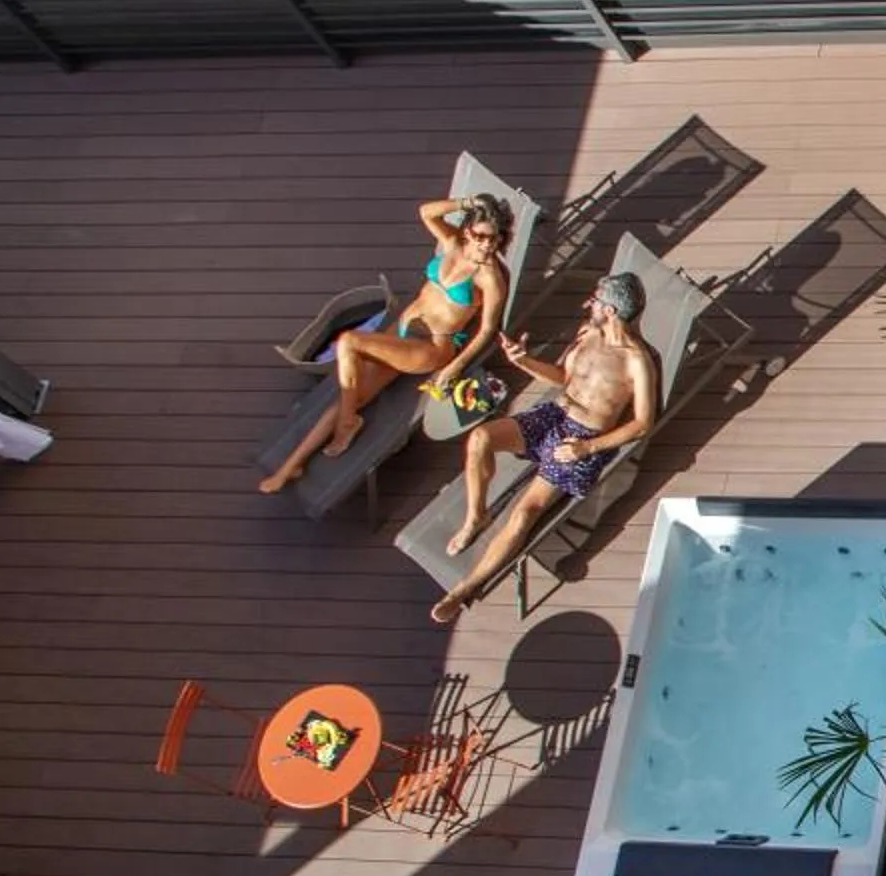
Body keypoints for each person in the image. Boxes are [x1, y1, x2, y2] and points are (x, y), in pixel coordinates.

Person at [429, 272, 661, 624]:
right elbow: (564, 378)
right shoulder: (587, 334)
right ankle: (477, 515)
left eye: (596, 301)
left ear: (611, 310)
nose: (590, 304)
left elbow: (643, 423)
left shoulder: (636, 361)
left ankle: (464, 589)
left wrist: (587, 448)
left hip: (581, 438)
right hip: (554, 413)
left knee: (525, 513)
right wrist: (523, 361)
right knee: (480, 439)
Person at [262, 194, 512, 494]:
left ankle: (346, 425)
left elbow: (486, 330)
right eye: (482, 236)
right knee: (348, 398)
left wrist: (454, 368)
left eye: (494, 239)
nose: (488, 244)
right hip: (402, 330)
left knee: (349, 342)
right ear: (469, 230)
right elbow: (426, 213)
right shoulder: (452, 244)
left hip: (431, 346)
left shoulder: (490, 279)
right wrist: (466, 202)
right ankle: (292, 466)